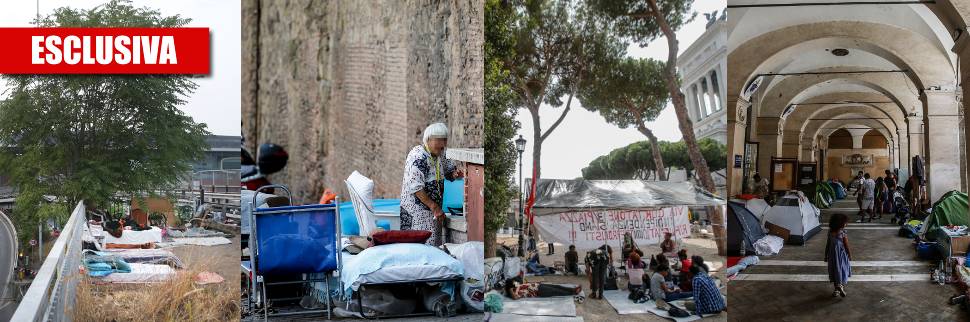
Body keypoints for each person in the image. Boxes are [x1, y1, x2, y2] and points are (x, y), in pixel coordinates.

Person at [400, 123, 464, 246]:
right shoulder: (418, 157)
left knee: (434, 247)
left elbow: (449, 170)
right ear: (428, 139)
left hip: (433, 211)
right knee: (418, 246)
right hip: (416, 213)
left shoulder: (440, 153)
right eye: (439, 140)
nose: (443, 144)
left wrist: (455, 174)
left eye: (445, 140)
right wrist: (434, 207)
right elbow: (416, 187)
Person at [825, 213, 852, 297]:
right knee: (841, 270)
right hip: (841, 256)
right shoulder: (842, 233)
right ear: (840, 224)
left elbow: (828, 244)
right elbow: (846, 245)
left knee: (835, 270)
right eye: (845, 223)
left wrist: (826, 255)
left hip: (833, 256)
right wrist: (849, 255)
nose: (846, 224)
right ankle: (840, 287)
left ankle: (837, 289)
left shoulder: (830, 232)